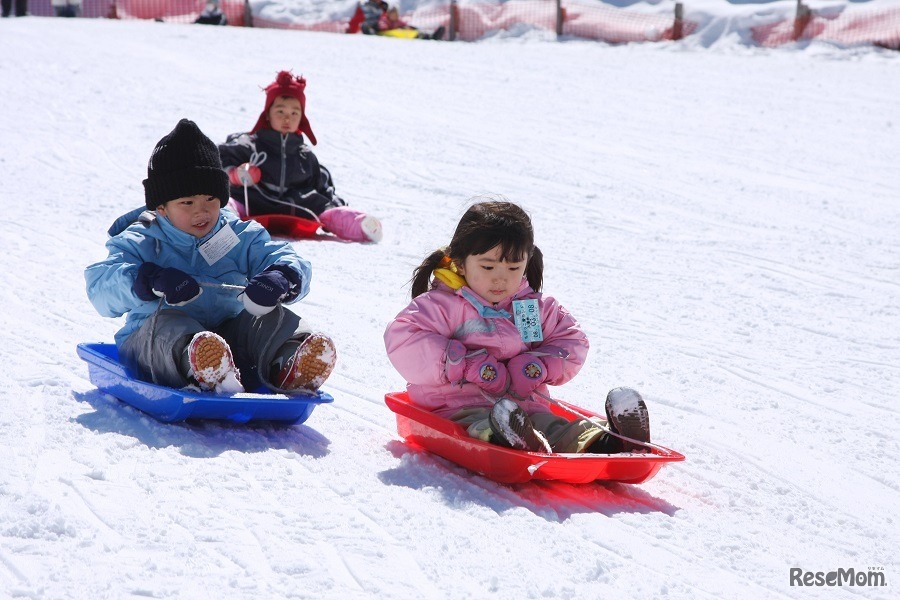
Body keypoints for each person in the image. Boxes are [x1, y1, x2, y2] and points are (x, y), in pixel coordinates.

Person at [85, 119, 337, 395]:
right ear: (161, 207)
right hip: (153, 343)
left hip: (227, 337)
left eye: (210, 200)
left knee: (265, 317)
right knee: (171, 325)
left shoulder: (235, 234)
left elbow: (280, 254)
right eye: (187, 203)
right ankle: (199, 365)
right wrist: (147, 280)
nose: (201, 212)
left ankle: (289, 358)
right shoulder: (143, 239)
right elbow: (101, 287)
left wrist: (281, 276)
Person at [384, 200, 652, 454]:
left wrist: (540, 366)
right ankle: (505, 436)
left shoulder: (530, 308)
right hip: (455, 406)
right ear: (460, 263)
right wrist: (463, 364)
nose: (500, 279)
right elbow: (403, 339)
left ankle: (608, 441)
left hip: (526, 407)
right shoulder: (442, 305)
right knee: (479, 424)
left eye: (514, 268)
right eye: (488, 266)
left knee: (554, 427)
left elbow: (572, 340)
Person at [219, 70, 382, 243]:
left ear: (301, 118)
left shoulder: (305, 156)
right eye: (280, 112)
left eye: (294, 113)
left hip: (296, 205)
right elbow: (219, 158)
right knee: (230, 203)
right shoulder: (250, 145)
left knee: (323, 207)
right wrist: (235, 175)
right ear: (267, 114)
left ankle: (359, 224)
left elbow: (323, 186)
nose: (287, 118)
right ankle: (221, 225)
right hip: (253, 201)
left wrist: (335, 204)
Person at [377, 5, 445, 40]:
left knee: (414, 30)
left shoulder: (397, 21)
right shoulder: (384, 19)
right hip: (394, 33)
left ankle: (430, 35)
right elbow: (383, 27)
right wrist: (395, 28)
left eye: (396, 15)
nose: (395, 17)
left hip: (403, 33)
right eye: (394, 15)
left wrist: (408, 27)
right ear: (389, 14)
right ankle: (428, 36)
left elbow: (404, 24)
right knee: (413, 34)